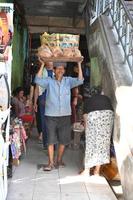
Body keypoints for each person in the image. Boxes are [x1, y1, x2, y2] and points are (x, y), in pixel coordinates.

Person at [35, 58, 84, 171]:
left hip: (65, 115)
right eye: (58, 69)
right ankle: (50, 163)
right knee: (51, 139)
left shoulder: (68, 81)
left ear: (64, 70)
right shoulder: (49, 81)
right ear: (54, 70)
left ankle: (59, 160)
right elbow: (37, 80)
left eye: (62, 69)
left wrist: (79, 64)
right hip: (51, 116)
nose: (60, 70)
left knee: (63, 140)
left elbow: (80, 80)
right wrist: (42, 64)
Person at [81, 86, 114, 176]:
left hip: (95, 116)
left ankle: (87, 171)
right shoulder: (106, 98)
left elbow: (85, 118)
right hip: (108, 116)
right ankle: (97, 171)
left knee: (91, 144)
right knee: (103, 144)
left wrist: (87, 132)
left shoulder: (88, 101)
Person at [34, 62, 54, 147]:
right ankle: (46, 143)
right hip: (43, 98)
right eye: (48, 60)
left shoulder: (57, 72)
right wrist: (35, 102)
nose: (50, 62)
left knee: (53, 121)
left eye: (51, 60)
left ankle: (53, 143)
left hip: (54, 99)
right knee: (44, 121)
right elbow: (37, 88)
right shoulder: (41, 73)